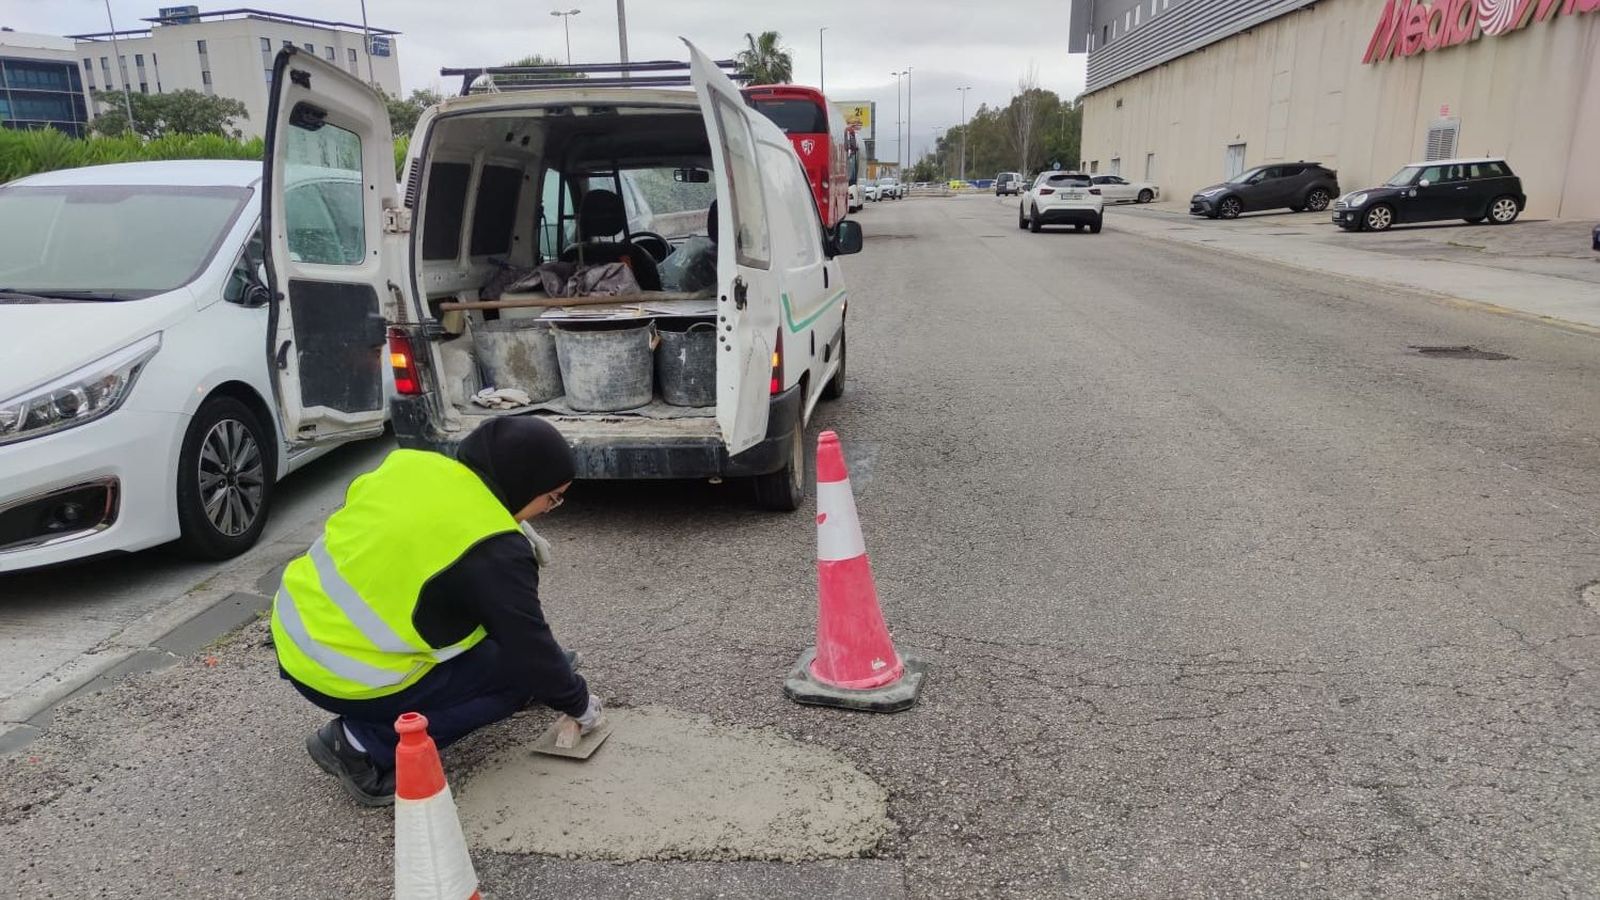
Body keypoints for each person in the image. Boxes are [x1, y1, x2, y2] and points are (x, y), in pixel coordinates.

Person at [270, 417, 601, 806]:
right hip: (343, 671)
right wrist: (575, 701)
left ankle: (534, 679)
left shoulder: (414, 465)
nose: (549, 509)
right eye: (552, 498)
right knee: (521, 678)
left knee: (525, 661)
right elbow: (526, 641)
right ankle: (360, 744)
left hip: (296, 633)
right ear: (525, 483)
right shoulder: (494, 548)